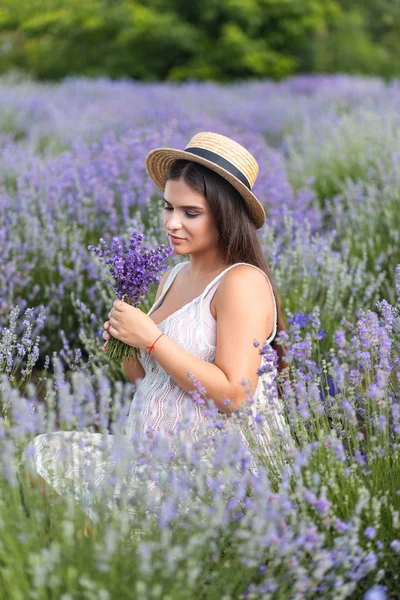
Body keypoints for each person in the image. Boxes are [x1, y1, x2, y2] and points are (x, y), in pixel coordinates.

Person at [19, 131, 289, 525]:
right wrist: (126, 344)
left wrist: (152, 338)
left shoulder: (241, 282)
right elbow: (150, 380)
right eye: (168, 208)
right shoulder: (175, 275)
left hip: (211, 473)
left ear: (225, 215)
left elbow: (235, 395)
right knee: (41, 453)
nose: (172, 223)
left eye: (190, 213)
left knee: (51, 461)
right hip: (154, 451)